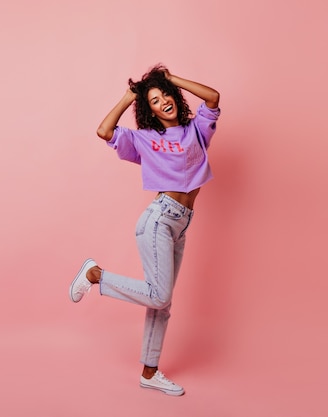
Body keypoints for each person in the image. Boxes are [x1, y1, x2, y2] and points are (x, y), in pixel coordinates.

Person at [69, 64, 220, 396]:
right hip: (159, 219)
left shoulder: (197, 130)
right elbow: (105, 131)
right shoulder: (147, 139)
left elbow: (213, 98)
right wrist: (128, 97)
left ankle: (149, 373)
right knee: (160, 295)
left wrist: (169, 79)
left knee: (161, 305)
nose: (163, 100)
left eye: (165, 94)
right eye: (154, 100)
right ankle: (96, 275)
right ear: (148, 109)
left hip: (181, 223)